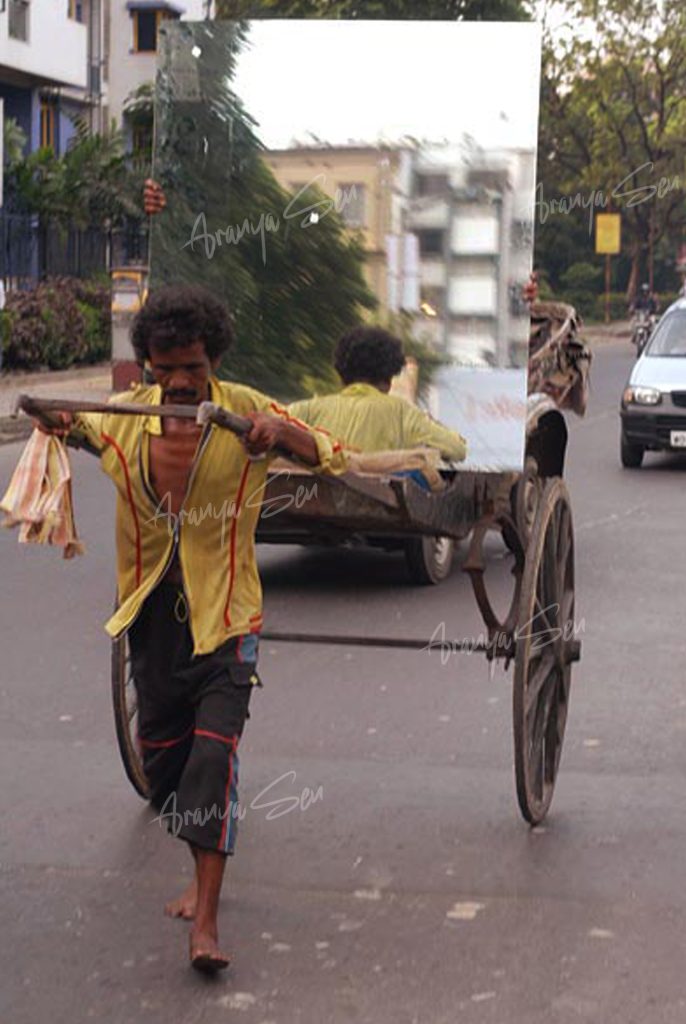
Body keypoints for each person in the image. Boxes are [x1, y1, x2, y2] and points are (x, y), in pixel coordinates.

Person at [40, 284, 345, 972]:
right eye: (167, 367)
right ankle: (195, 874)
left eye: (193, 368)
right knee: (165, 766)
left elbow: (327, 450)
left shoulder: (246, 410)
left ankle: (205, 923)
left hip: (227, 616)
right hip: (152, 617)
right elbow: (74, 424)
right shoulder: (123, 419)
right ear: (148, 363)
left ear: (214, 361)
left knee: (213, 759)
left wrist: (281, 434)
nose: (180, 382)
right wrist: (50, 416)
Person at [287, 326, 467, 463]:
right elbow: (457, 449)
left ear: (341, 375)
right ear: (389, 379)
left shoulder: (306, 410)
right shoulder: (402, 413)